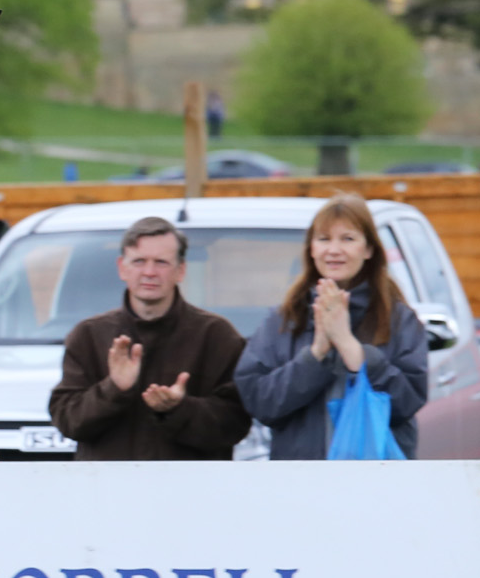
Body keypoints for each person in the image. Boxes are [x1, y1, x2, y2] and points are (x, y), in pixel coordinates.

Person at [235, 194, 429, 459]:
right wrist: (315, 356)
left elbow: (406, 404)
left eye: (348, 239)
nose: (334, 250)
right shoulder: (284, 321)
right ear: (311, 249)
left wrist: (352, 350)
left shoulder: (399, 321)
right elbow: (260, 403)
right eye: (324, 239)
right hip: (301, 484)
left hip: (377, 483)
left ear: (369, 249)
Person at [48, 216, 252, 461]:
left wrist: (178, 409)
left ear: (181, 270)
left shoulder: (217, 336)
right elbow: (69, 422)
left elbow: (236, 424)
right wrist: (113, 389)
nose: (149, 272)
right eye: (139, 261)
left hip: (191, 492)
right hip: (107, 492)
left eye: (161, 262)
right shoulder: (88, 336)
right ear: (122, 268)